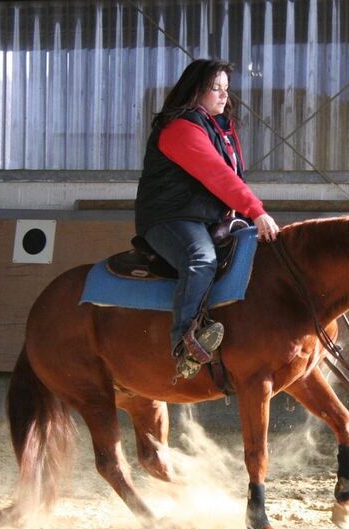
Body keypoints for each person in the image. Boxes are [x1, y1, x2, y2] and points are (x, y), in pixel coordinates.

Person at [135, 59, 280, 379]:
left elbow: (231, 179)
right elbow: (217, 176)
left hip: (205, 218)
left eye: (226, 89)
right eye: (215, 88)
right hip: (171, 217)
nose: (223, 95)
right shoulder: (180, 127)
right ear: (195, 89)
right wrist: (256, 211)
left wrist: (248, 213)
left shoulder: (219, 128)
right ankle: (185, 342)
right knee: (200, 258)